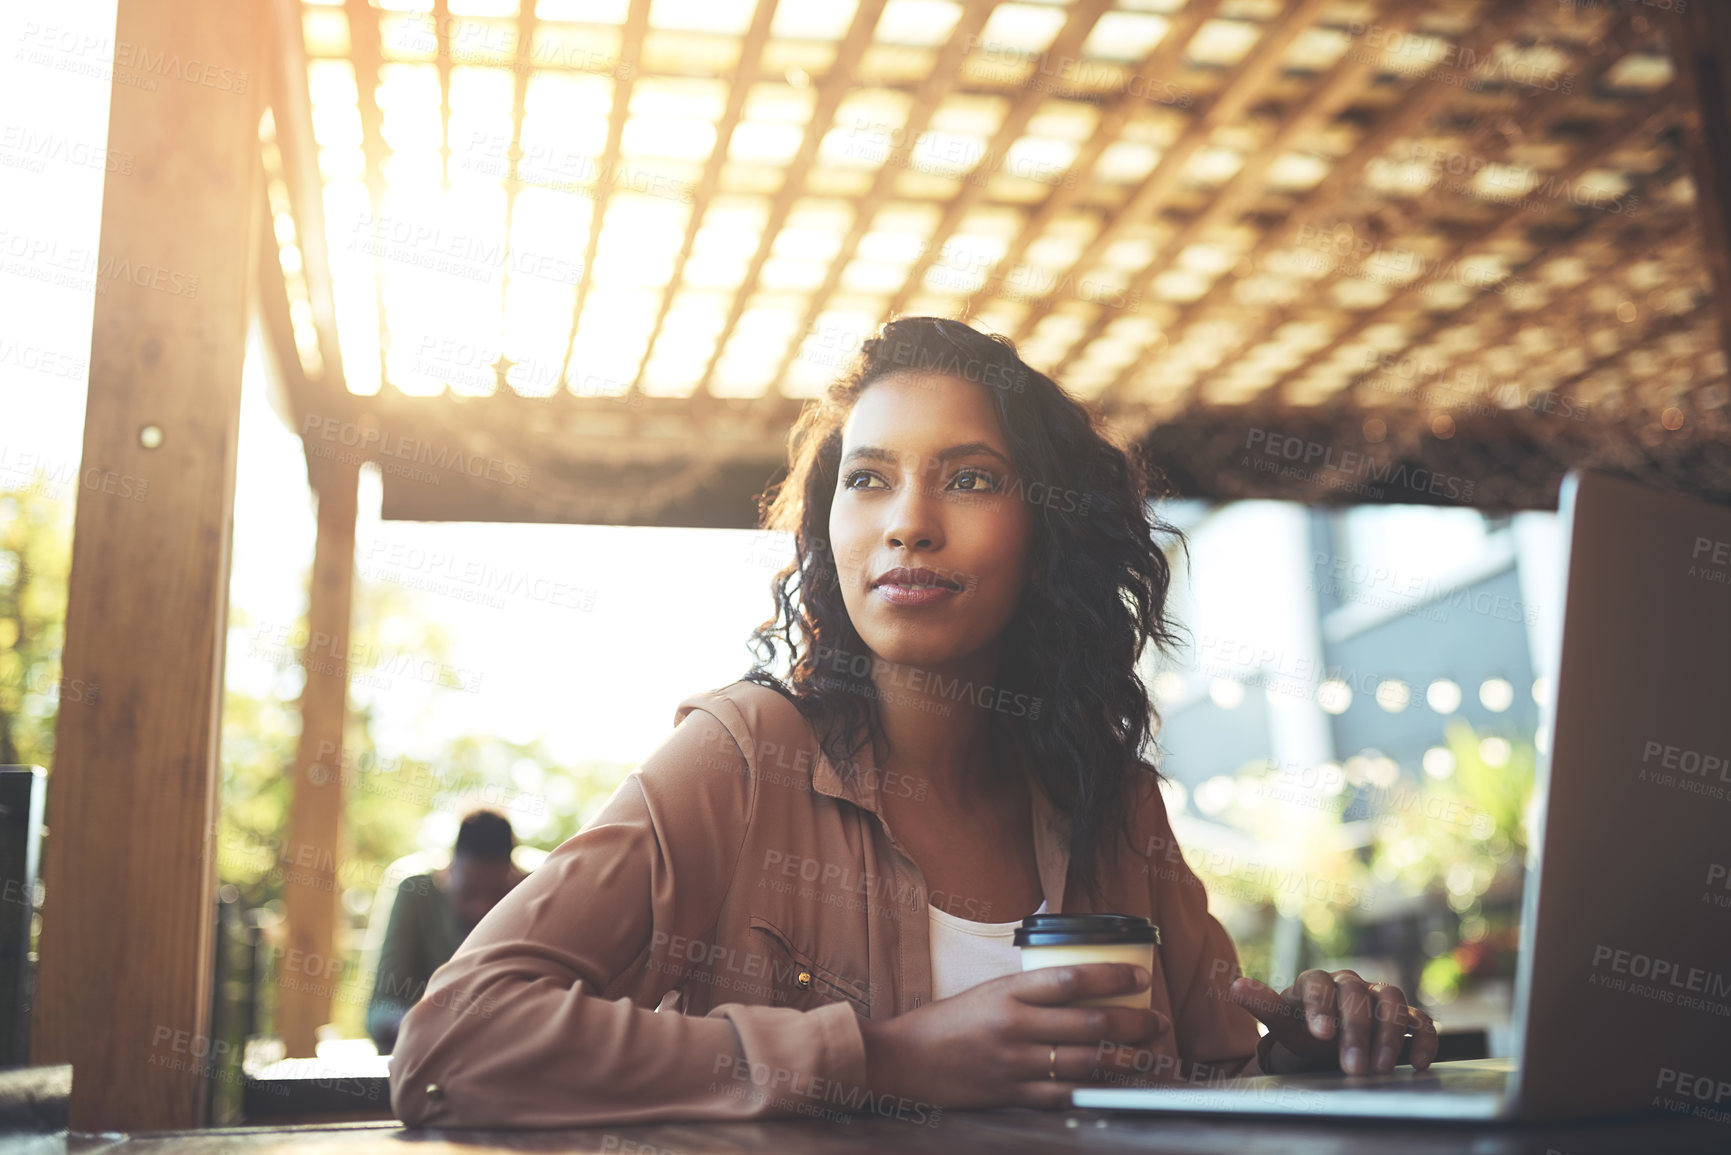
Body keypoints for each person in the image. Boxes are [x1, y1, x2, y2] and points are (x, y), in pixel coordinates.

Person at [389, 317, 1438, 1127]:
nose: (909, 522)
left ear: (1046, 530)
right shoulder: (739, 762)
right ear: (830, 527)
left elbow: (1219, 1070)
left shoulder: (1113, 805)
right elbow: (453, 1042)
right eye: (870, 480)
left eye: (969, 478)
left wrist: (1319, 1041)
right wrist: (880, 1059)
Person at [366, 808, 526, 1054]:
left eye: (496, 895)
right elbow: (380, 1007)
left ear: (514, 878)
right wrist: (415, 1025)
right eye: (468, 892)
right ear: (448, 873)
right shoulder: (415, 894)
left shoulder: (531, 895)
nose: (481, 908)